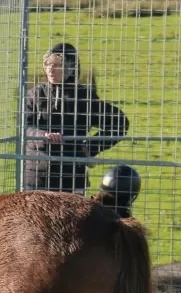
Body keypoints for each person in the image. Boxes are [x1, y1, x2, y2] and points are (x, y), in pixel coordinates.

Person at [23, 43, 129, 195]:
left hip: (72, 177)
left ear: (71, 68)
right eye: (47, 64)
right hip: (36, 177)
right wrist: (43, 136)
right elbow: (25, 127)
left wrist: (89, 148)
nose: (50, 70)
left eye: (58, 65)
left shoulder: (84, 97)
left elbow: (119, 122)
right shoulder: (34, 94)